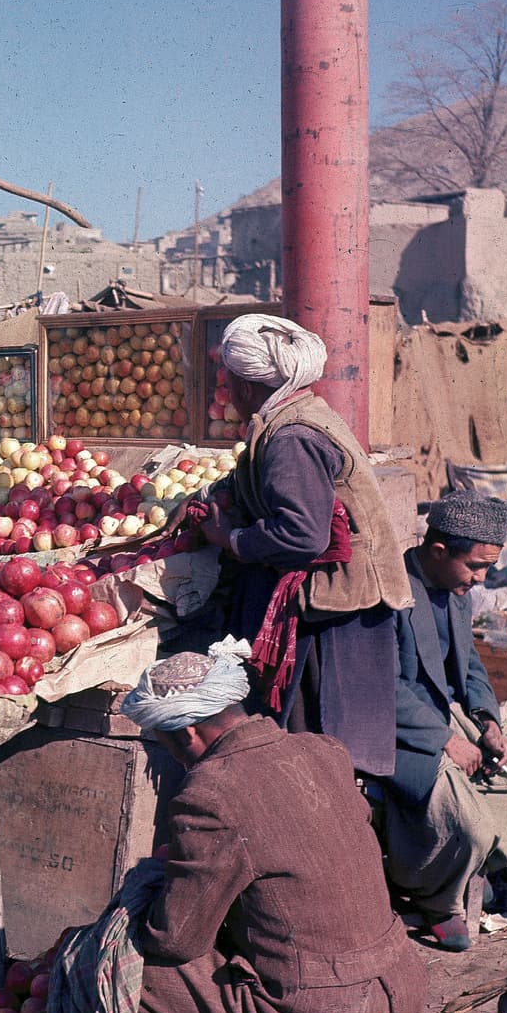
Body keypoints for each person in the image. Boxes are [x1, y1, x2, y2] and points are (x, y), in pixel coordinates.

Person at [122, 641, 426, 1013]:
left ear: (190, 734)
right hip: (398, 1008)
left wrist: (145, 896)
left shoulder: (208, 795)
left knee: (125, 965)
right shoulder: (323, 750)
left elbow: (175, 941)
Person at [197, 314, 412, 780]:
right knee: (322, 748)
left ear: (247, 387)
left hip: (334, 609)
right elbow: (257, 481)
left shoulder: (292, 436)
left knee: (322, 746)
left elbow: (302, 534)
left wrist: (230, 539)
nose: (227, 390)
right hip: (332, 598)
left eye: (228, 380)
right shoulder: (294, 414)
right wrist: (210, 496)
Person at [381, 491, 507, 951]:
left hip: (449, 719)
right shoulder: (387, 594)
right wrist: (446, 739)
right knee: (465, 819)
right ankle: (438, 899)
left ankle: (485, 865)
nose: (483, 578)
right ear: (438, 551)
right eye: (475, 567)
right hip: (398, 732)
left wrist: (488, 720)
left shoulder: (457, 591)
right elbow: (381, 689)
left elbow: (469, 668)